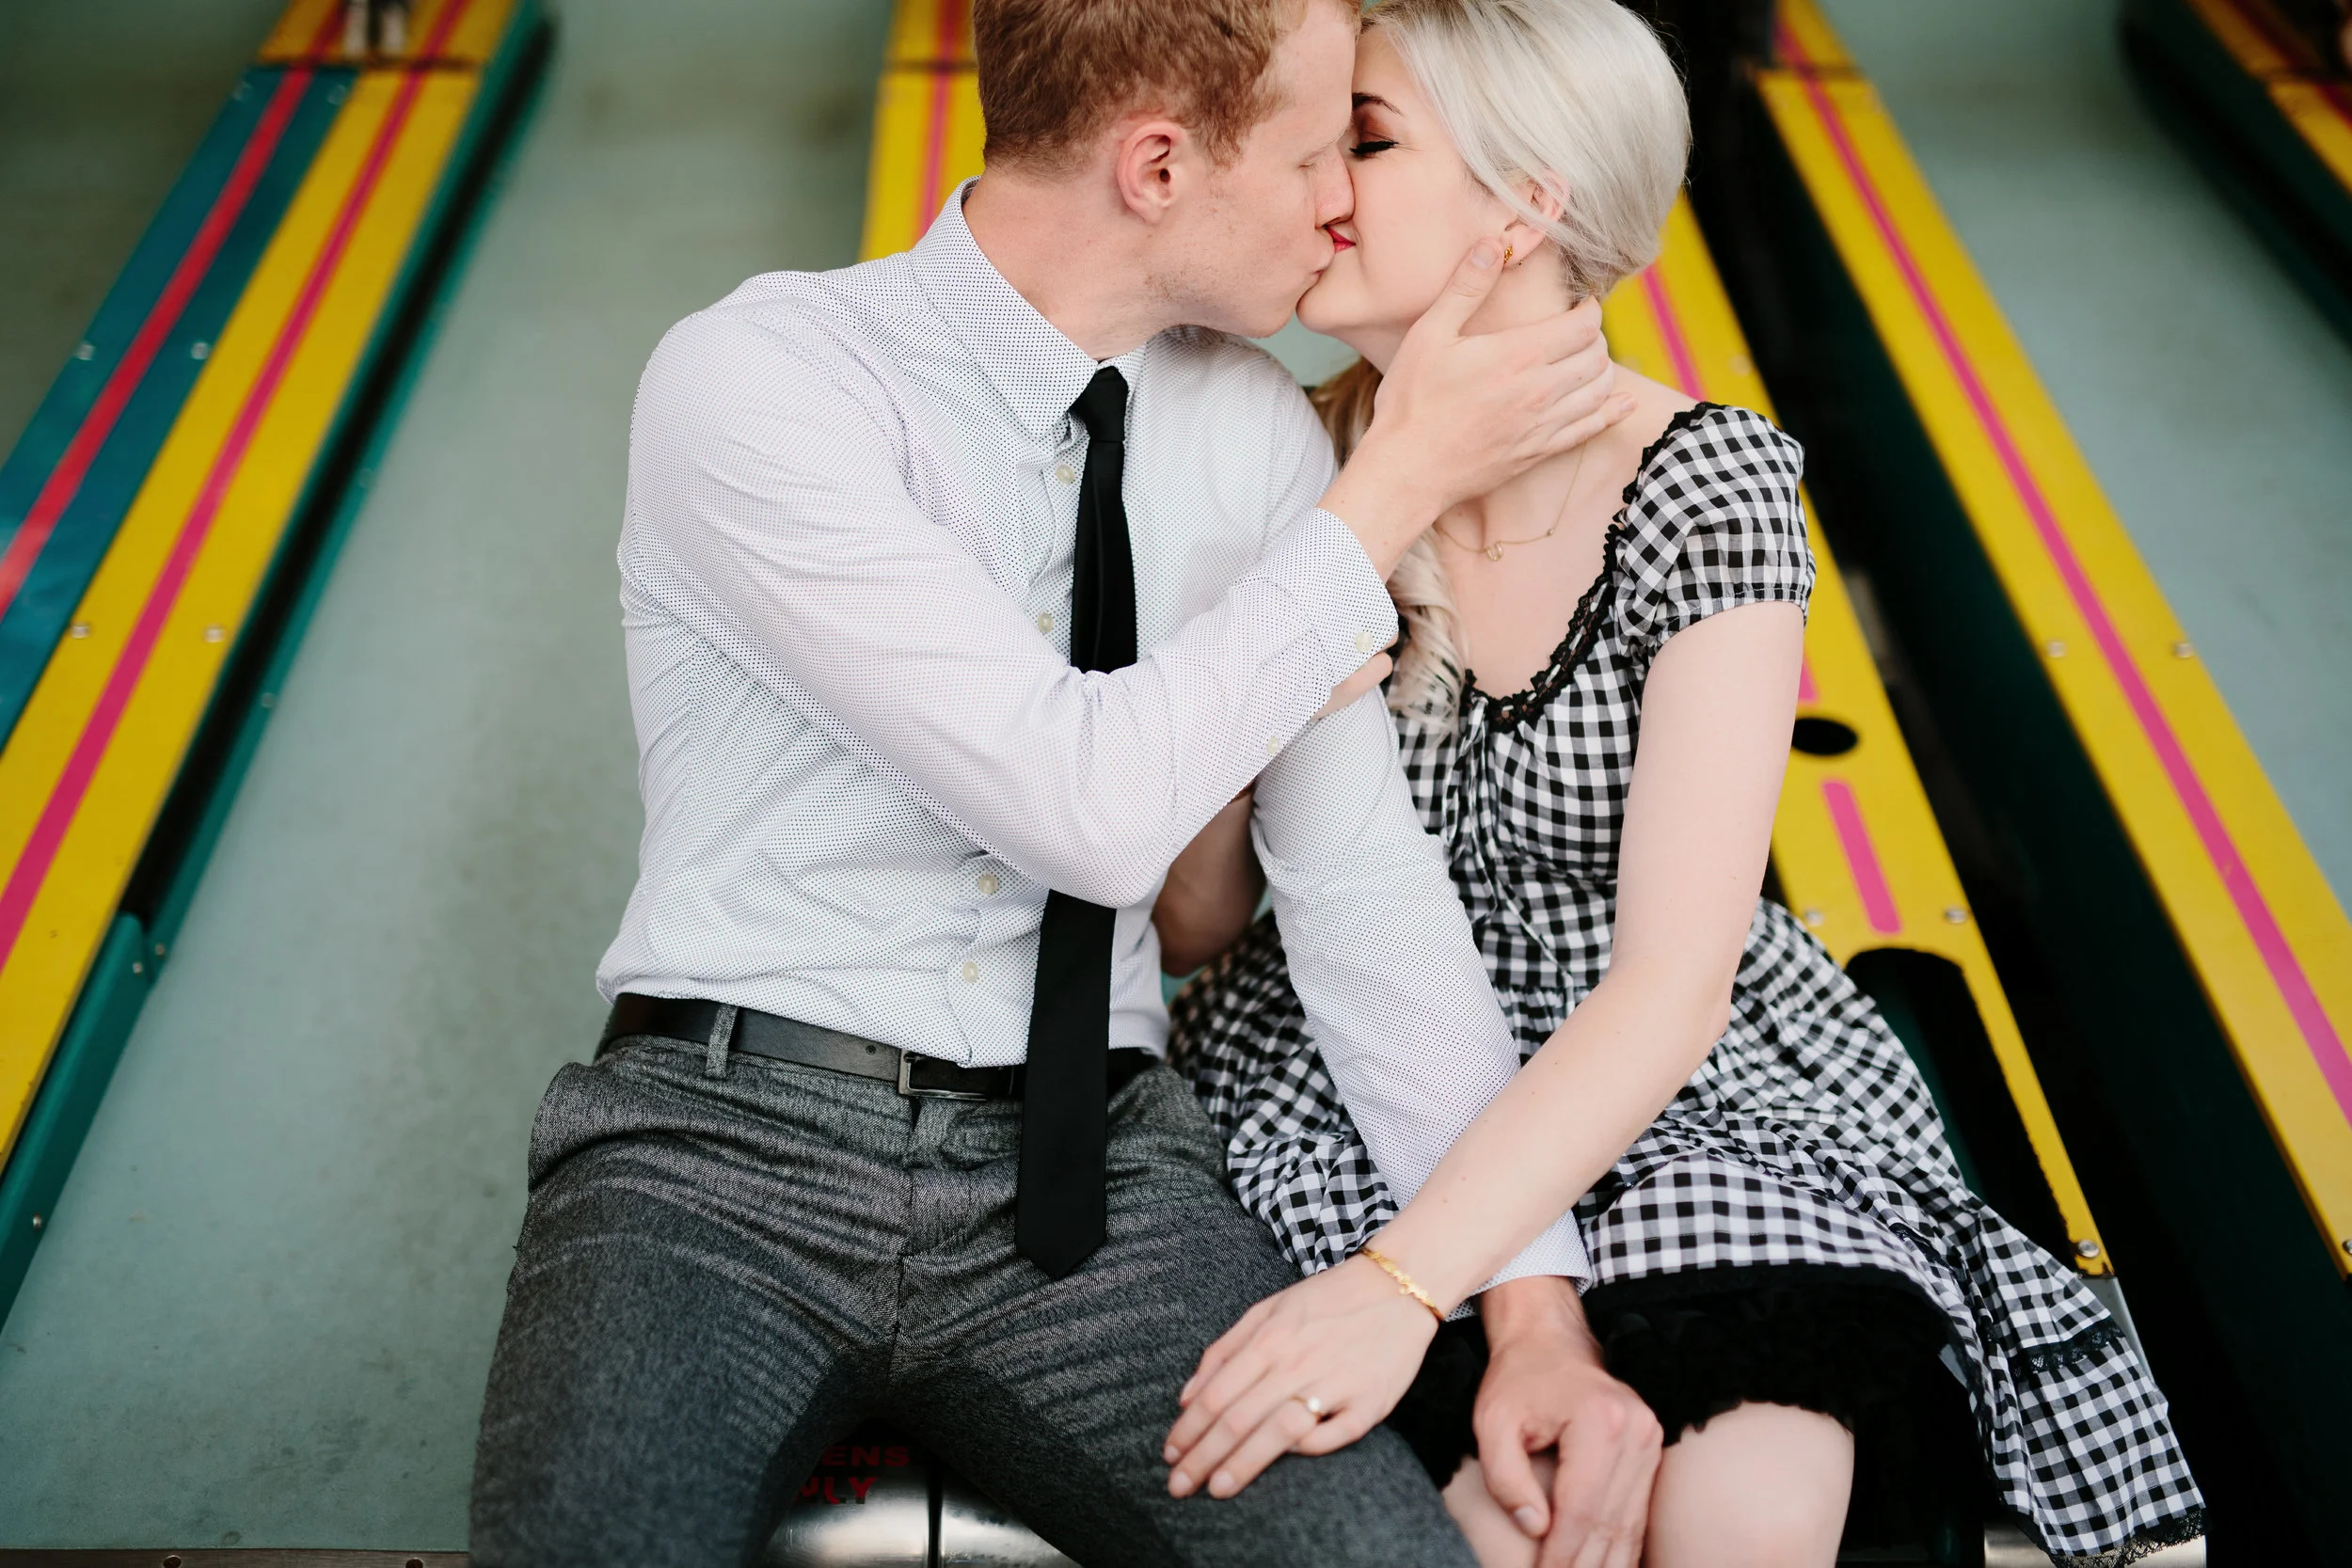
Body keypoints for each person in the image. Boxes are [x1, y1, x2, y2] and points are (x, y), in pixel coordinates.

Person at [465, 0, 1651, 1563]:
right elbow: (1079, 808)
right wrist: (1387, 498)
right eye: (1312, 154)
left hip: (1098, 1180)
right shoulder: (763, 380)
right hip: (718, 1154)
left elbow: (1363, 893)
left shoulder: (1254, 438)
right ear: (1159, 167)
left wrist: (1529, 1312)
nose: (1338, 202)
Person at [1155, 2, 2207, 1565]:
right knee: (1504, 1533)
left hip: (1670, 1084)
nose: (1317, 185)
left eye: (1362, 142)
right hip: (1353, 1078)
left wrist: (1403, 1285)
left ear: (1527, 205)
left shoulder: (1704, 485)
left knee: (1748, 1506)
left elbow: (1667, 990)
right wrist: (1320, 582)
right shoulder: (1284, 466)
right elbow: (1194, 924)